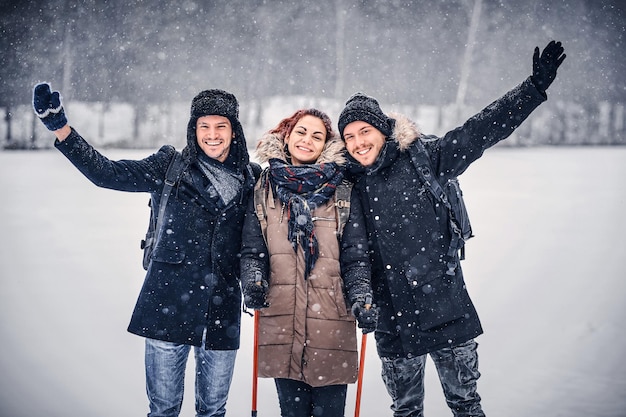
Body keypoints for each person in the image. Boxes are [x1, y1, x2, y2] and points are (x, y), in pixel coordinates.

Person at [336, 41, 566, 417]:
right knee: (406, 410)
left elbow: (479, 132)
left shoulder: (425, 157)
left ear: (382, 129)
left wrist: (532, 89)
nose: (359, 143)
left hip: (445, 305)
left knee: (465, 405)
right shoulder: (350, 183)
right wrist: (362, 298)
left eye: (365, 131)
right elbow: (355, 250)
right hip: (393, 319)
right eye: (349, 137)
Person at [32, 83, 260, 417]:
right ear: (193, 130)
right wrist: (62, 129)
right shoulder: (169, 165)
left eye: (220, 126)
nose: (212, 135)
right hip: (167, 303)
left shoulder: (251, 178)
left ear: (234, 131)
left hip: (221, 307)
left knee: (213, 410)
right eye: (204, 126)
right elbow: (106, 173)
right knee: (164, 409)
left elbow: (264, 238)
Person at [239, 108, 377, 417]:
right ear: (286, 136)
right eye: (301, 132)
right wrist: (253, 280)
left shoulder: (342, 190)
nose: (307, 140)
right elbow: (253, 249)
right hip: (281, 319)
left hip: (331, 320)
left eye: (317, 135)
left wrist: (361, 296)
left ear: (326, 144)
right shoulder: (264, 188)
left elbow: (355, 256)